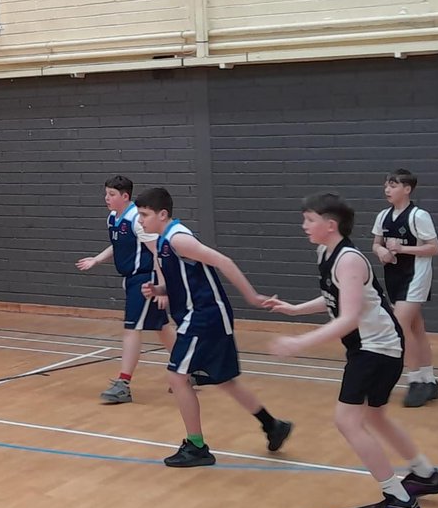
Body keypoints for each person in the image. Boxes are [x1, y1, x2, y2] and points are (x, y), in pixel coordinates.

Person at [267, 192, 438, 508]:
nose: (303, 225)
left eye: (309, 220)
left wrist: (300, 343)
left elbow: (348, 318)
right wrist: (296, 310)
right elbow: (337, 298)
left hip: (376, 349)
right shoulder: (327, 252)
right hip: (373, 348)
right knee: (375, 417)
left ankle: (400, 500)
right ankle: (424, 474)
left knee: (347, 421)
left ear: (330, 225)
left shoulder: (348, 259)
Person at [134, 187, 292, 467]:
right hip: (202, 317)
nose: (141, 221)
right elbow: (182, 280)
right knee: (223, 379)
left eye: (145, 215)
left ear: (162, 214)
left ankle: (196, 447)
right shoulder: (162, 242)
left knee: (177, 377)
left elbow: (223, 261)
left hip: (204, 317)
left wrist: (252, 297)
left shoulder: (179, 239)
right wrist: (159, 288)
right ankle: (272, 425)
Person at [76, 175, 175, 403]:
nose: (106, 198)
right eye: (106, 193)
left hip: (145, 281)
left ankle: (124, 383)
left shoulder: (136, 220)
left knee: (131, 329)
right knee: (162, 328)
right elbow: (118, 244)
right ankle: (190, 368)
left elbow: (157, 252)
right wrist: (97, 260)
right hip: (132, 279)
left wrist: (163, 287)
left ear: (125, 196)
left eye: (111, 194)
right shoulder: (113, 218)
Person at [372, 169, 438, 407]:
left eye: (392, 185)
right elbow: (376, 244)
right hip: (394, 277)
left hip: (416, 276)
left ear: (407, 189)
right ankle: (430, 380)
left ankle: (415, 381)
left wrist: (403, 250)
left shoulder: (418, 216)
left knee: (399, 327)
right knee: (416, 327)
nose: (387, 189)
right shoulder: (383, 216)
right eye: (386, 186)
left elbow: (435, 248)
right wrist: (381, 250)